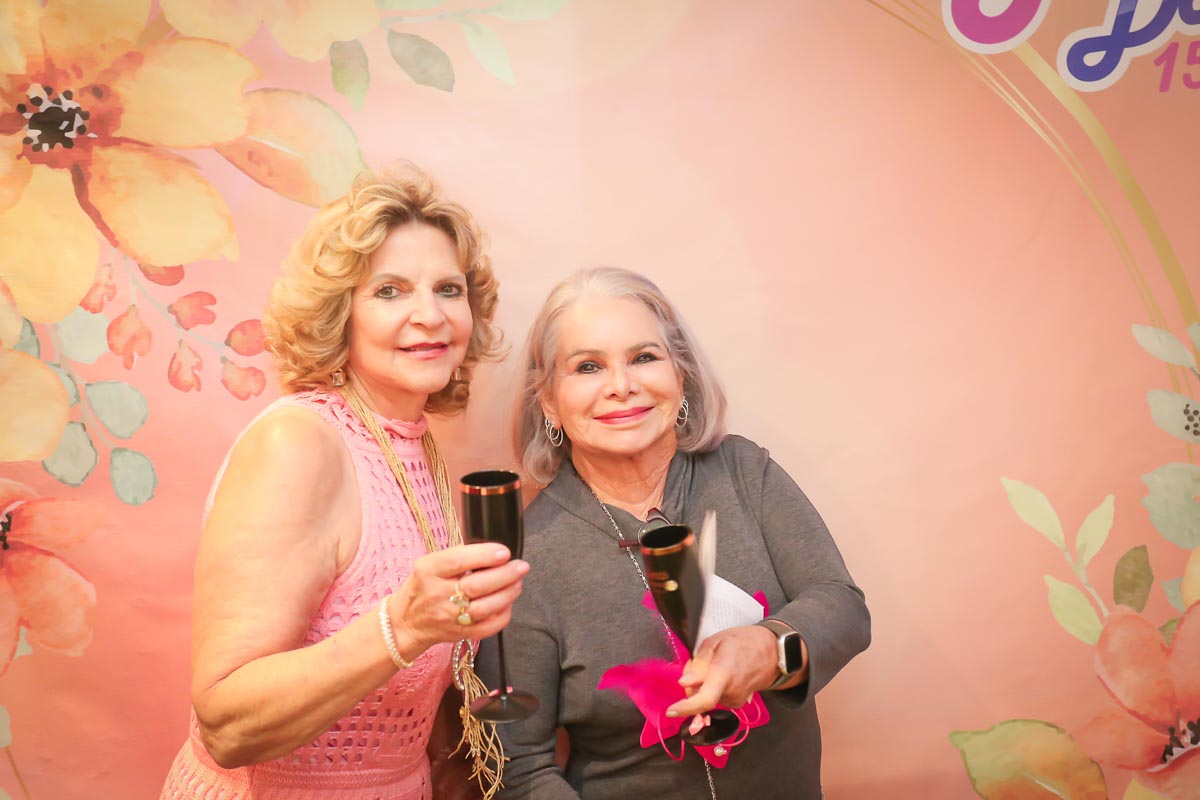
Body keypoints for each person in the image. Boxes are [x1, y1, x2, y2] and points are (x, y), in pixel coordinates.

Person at [160, 167, 527, 800]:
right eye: (390, 291)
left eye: (448, 289)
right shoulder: (298, 445)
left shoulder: (414, 445)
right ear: (340, 314)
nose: (430, 315)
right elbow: (226, 724)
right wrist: (404, 626)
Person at [482, 267, 870, 799]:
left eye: (644, 357)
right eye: (588, 366)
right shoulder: (528, 557)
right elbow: (518, 767)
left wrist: (768, 648)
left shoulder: (744, 472)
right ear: (548, 399)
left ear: (680, 374)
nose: (622, 386)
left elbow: (844, 608)